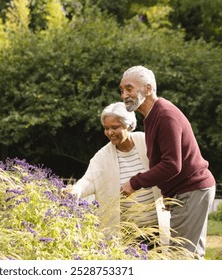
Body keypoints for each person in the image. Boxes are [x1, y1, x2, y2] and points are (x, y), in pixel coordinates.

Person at [119, 65, 216, 258]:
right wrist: (168, 192)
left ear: (147, 89)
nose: (124, 95)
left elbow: (172, 164)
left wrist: (134, 183)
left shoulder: (164, 115)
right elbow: (163, 160)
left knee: (179, 257)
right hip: (187, 191)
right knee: (191, 255)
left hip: (192, 189)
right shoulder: (151, 116)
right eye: (121, 90)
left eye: (129, 88)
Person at [70, 102, 170, 245]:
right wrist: (74, 190)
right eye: (106, 128)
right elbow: (89, 180)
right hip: (128, 232)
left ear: (128, 125)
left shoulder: (147, 142)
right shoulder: (102, 156)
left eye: (115, 127)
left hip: (159, 224)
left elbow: (167, 167)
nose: (110, 132)